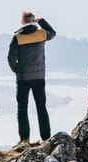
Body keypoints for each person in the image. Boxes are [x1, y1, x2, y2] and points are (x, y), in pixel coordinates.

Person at [8, 11, 56, 147]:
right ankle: (46, 138)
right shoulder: (41, 34)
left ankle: (24, 140)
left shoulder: (17, 37)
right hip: (39, 77)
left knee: (22, 108)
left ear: (22, 22)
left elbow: (11, 59)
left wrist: (17, 70)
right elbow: (53, 32)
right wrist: (41, 21)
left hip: (23, 77)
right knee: (41, 107)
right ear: (32, 20)